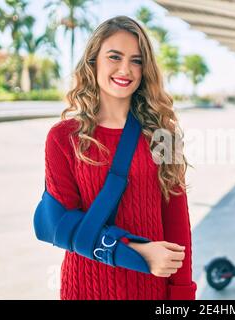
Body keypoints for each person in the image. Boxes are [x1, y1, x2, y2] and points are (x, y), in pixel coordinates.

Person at [44, 15, 196, 300]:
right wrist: (136, 253)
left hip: (152, 289)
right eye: (114, 57)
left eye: (136, 60)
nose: (126, 69)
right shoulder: (63, 137)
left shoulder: (164, 136)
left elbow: (177, 224)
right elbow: (61, 225)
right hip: (85, 288)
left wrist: (182, 294)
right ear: (94, 61)